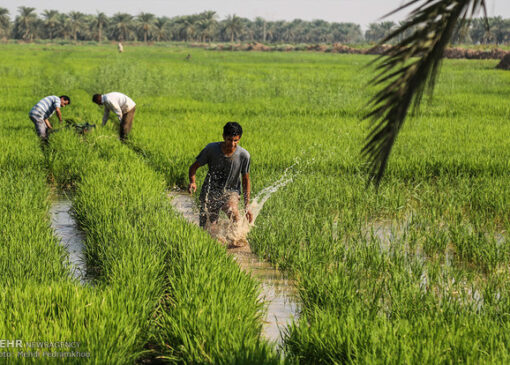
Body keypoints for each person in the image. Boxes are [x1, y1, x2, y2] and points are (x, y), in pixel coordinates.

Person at [188, 122, 253, 232]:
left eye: (235, 140)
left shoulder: (244, 155)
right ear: (223, 137)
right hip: (210, 191)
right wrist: (192, 182)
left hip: (230, 191)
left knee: (234, 213)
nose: (232, 144)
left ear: (239, 139)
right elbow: (193, 167)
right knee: (209, 227)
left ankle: (237, 240)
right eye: (229, 140)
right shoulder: (211, 149)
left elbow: (246, 180)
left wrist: (247, 206)